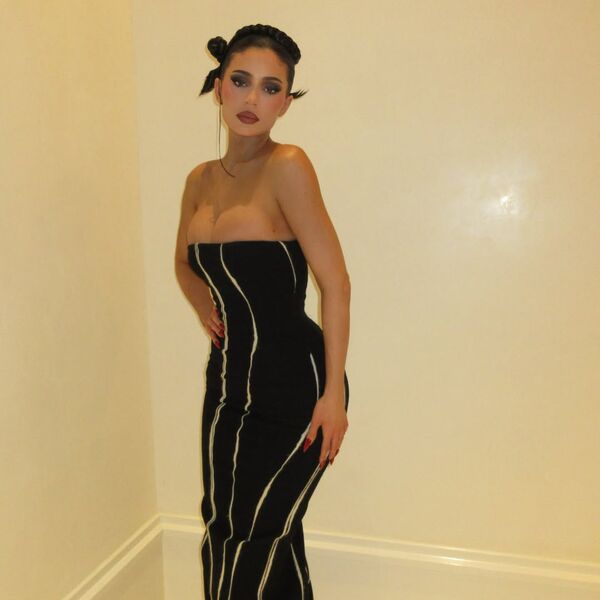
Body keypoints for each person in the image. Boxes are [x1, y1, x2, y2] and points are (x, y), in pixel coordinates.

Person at [174, 23, 351, 599]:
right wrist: (205, 308)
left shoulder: (288, 166)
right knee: (222, 523)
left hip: (294, 384)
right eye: (241, 81)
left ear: (285, 103)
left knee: (260, 532)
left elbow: (335, 284)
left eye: (271, 88)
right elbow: (183, 264)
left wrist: (333, 395)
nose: (252, 98)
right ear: (218, 86)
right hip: (227, 382)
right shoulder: (198, 181)